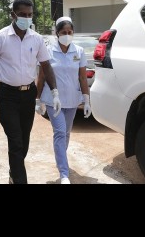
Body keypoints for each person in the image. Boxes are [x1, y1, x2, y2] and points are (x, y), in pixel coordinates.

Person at [0, 0, 61, 184]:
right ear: (13, 14)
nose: (26, 18)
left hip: (28, 95)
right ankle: (20, 180)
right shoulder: (0, 38)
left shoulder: (37, 39)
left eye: (30, 15)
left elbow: (46, 67)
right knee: (15, 141)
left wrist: (55, 92)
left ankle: (14, 174)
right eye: (22, 14)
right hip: (7, 95)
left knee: (24, 140)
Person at [36, 16, 91, 184]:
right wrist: (37, 99)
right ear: (56, 33)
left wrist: (86, 99)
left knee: (66, 133)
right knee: (59, 132)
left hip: (72, 100)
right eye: (63, 32)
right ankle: (64, 173)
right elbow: (42, 76)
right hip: (53, 100)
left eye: (70, 32)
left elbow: (82, 77)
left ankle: (61, 158)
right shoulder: (48, 51)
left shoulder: (79, 51)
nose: (67, 35)